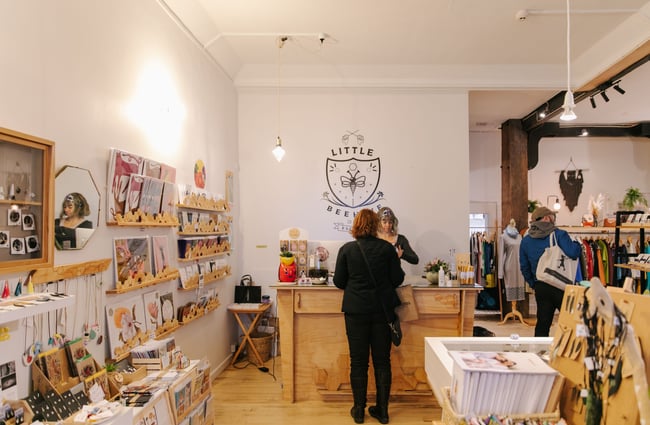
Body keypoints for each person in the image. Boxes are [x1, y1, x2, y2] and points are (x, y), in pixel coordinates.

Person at [334, 209, 405, 424]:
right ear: (375, 225)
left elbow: (338, 281)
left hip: (356, 311)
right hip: (382, 312)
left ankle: (358, 410)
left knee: (358, 362)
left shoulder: (347, 249)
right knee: (382, 361)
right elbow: (397, 279)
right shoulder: (386, 249)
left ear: (356, 225)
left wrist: (356, 285)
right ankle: (382, 411)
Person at [519, 206, 582, 337]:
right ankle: (568, 352)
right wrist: (577, 244)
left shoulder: (526, 240)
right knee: (570, 322)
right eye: (553, 217)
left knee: (543, 323)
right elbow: (573, 253)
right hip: (560, 284)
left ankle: (539, 353)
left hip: (541, 285)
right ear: (547, 218)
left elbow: (524, 267)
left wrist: (534, 283)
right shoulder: (559, 235)